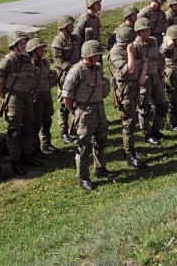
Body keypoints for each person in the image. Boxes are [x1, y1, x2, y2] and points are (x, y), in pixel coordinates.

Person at [61, 40, 117, 191]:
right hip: (84, 112)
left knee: (101, 141)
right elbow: (67, 95)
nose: (99, 57)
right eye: (97, 54)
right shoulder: (76, 71)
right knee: (83, 146)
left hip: (99, 109)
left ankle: (100, 168)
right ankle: (83, 177)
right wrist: (73, 112)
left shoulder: (97, 68)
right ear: (88, 55)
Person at [0, 31, 38, 175]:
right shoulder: (7, 61)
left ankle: (27, 156)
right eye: (21, 43)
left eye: (24, 43)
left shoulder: (26, 59)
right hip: (13, 98)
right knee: (14, 131)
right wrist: (2, 96)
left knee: (28, 128)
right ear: (13, 45)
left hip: (26, 97)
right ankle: (16, 161)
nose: (24, 46)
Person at [108, 25, 149, 169]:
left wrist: (143, 75)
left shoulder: (133, 48)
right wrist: (130, 52)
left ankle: (130, 149)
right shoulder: (115, 54)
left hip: (135, 87)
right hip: (124, 90)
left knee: (134, 119)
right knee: (128, 122)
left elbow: (144, 60)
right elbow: (130, 70)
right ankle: (129, 154)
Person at [134, 17, 167, 145]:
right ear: (138, 32)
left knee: (163, 105)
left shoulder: (153, 41)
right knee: (145, 107)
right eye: (143, 31)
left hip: (156, 77)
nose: (146, 33)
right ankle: (146, 133)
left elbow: (159, 58)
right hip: (144, 80)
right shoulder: (135, 45)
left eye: (147, 30)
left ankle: (156, 129)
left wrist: (161, 73)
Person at [52, 15, 82, 145]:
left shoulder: (76, 38)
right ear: (64, 27)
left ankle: (75, 128)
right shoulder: (57, 43)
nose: (73, 27)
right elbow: (59, 61)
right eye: (70, 25)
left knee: (78, 101)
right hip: (65, 77)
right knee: (64, 105)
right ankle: (63, 131)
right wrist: (73, 68)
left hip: (77, 74)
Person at [27, 38, 58, 157]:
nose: (42, 51)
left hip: (46, 95)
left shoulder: (44, 62)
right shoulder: (28, 65)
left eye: (42, 49)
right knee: (36, 123)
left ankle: (46, 143)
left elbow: (48, 74)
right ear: (33, 51)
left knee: (47, 120)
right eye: (40, 49)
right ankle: (36, 148)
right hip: (35, 98)